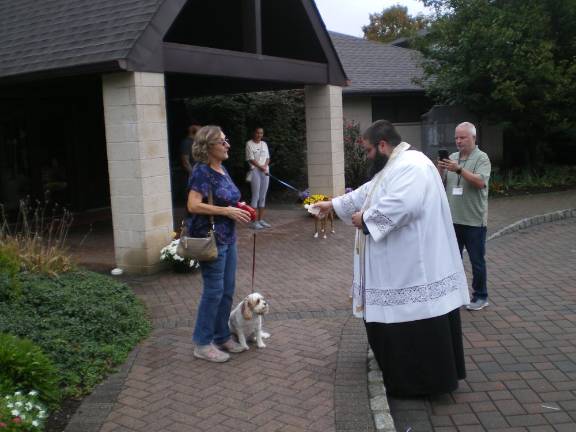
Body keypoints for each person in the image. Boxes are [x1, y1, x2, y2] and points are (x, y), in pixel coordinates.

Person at [314, 120, 469, 397]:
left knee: (415, 323)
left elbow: (403, 204)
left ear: (383, 145)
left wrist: (365, 218)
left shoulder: (413, 165)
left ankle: (420, 384)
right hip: (401, 262)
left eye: (368, 150)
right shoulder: (395, 165)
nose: (367, 157)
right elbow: (369, 191)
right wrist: (333, 204)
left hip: (413, 266)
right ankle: (400, 373)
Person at [187, 125, 252, 362]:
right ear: (208, 146)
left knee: (226, 291)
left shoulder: (221, 168)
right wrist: (226, 211)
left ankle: (222, 336)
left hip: (228, 238)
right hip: (210, 239)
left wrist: (240, 208)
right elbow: (193, 205)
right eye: (222, 142)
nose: (227, 145)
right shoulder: (202, 171)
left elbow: (229, 199)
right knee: (213, 292)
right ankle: (202, 344)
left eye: (226, 140)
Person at [438, 122, 491, 311]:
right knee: (454, 260)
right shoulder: (452, 158)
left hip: (474, 221)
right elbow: (440, 183)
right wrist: (442, 169)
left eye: (463, 137)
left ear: (473, 138)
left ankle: (481, 296)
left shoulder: (482, 158)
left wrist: (459, 169)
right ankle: (457, 295)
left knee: (477, 261)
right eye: (456, 138)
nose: (458, 141)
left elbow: (479, 182)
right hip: (453, 220)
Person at [245, 127, 271, 229]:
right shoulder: (249, 144)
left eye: (261, 133)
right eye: (257, 133)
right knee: (255, 196)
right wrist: (260, 167)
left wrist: (265, 166)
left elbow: (268, 158)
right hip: (255, 171)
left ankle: (261, 220)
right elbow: (250, 159)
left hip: (265, 171)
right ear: (254, 133)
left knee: (263, 196)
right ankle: (254, 221)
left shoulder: (264, 144)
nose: (259, 135)